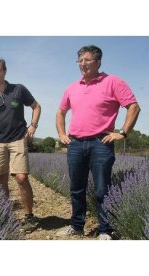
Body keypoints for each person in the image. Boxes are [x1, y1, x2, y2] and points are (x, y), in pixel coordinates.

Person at [56, 45, 140, 240]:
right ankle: (76, 226)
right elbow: (61, 111)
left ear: (98, 62)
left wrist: (123, 133)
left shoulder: (113, 82)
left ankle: (105, 230)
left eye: (87, 60)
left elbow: (133, 106)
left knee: (103, 189)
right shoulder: (72, 87)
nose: (83, 64)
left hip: (100, 143)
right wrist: (61, 133)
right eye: (80, 61)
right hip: (75, 144)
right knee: (76, 188)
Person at [0, 57, 42, 233]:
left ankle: (29, 217)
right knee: (0, 180)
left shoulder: (18, 90)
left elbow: (36, 106)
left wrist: (33, 125)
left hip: (18, 139)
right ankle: (6, 216)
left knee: (20, 177)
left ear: (5, 71)